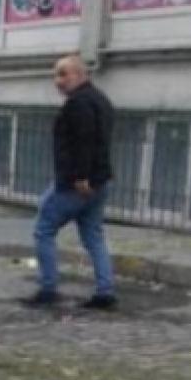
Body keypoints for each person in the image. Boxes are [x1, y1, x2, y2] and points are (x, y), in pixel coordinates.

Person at [25, 55, 117, 310]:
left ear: (79, 74)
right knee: (93, 236)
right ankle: (105, 291)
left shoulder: (78, 104)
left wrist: (80, 177)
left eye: (63, 74)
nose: (57, 81)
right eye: (56, 75)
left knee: (43, 230)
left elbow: (83, 142)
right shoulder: (101, 100)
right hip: (99, 181)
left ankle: (48, 288)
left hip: (78, 183)